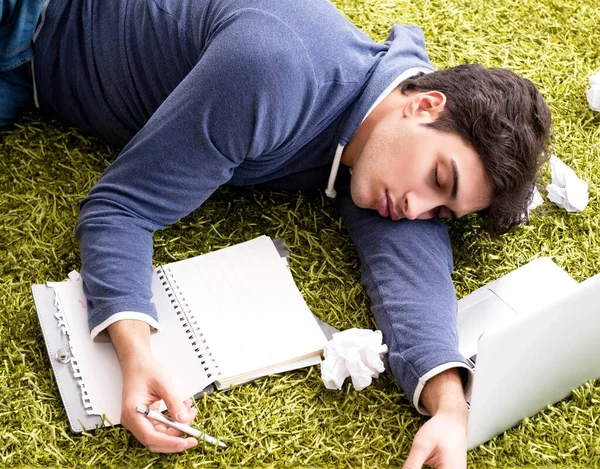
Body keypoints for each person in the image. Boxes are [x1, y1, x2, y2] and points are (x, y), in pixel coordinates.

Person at [1, 0, 551, 466]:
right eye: (438, 179)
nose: (416, 208)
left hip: (31, 76)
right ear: (426, 104)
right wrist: (135, 353)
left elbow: (414, 263)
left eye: (443, 212)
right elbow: (121, 207)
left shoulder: (390, 129)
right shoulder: (272, 73)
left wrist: (451, 408)